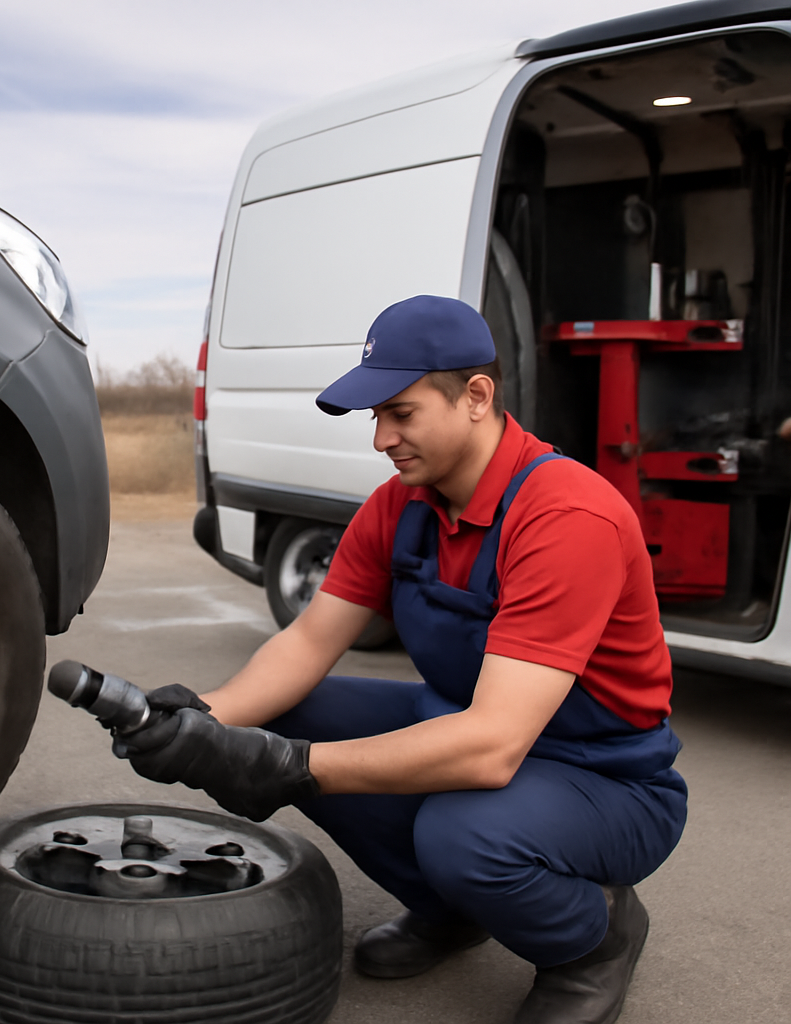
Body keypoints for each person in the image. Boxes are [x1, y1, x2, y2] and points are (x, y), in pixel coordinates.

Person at [113, 295, 688, 1024]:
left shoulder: (566, 517)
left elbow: (492, 746)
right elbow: (309, 640)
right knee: (291, 712)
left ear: (476, 396)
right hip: (470, 725)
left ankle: (592, 938)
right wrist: (206, 720)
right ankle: (449, 909)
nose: (381, 438)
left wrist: (289, 765)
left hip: (606, 777)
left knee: (460, 834)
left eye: (401, 413)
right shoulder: (399, 507)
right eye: (374, 417)